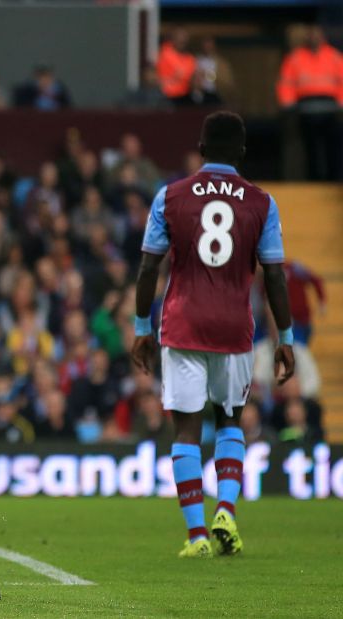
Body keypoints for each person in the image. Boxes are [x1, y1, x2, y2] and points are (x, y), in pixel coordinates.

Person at [131, 111, 295, 559]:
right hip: (235, 328)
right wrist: (287, 337)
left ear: (201, 149)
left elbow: (149, 267)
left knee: (186, 428)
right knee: (229, 420)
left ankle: (197, 535)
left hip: (183, 324)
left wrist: (142, 327)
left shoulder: (171, 196)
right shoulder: (261, 202)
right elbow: (275, 277)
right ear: (242, 152)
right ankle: (226, 510)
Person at [276, 25, 343, 181]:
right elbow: (286, 83)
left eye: (317, 35)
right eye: (311, 35)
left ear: (323, 37)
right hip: (305, 109)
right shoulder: (295, 58)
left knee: (332, 148)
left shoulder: (334, 57)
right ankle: (313, 181)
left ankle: (333, 181)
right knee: (309, 148)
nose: (314, 38)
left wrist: (340, 103)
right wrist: (289, 104)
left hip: (331, 109)